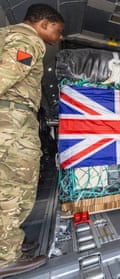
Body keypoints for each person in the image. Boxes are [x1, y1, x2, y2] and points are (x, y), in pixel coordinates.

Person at [0, 4, 64, 277]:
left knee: (11, 187)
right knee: (14, 189)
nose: (59, 37)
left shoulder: (8, 34)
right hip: (11, 125)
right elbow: (5, 75)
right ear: (45, 24)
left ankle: (10, 244)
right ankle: (5, 257)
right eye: (58, 31)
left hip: (14, 121)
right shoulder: (27, 39)